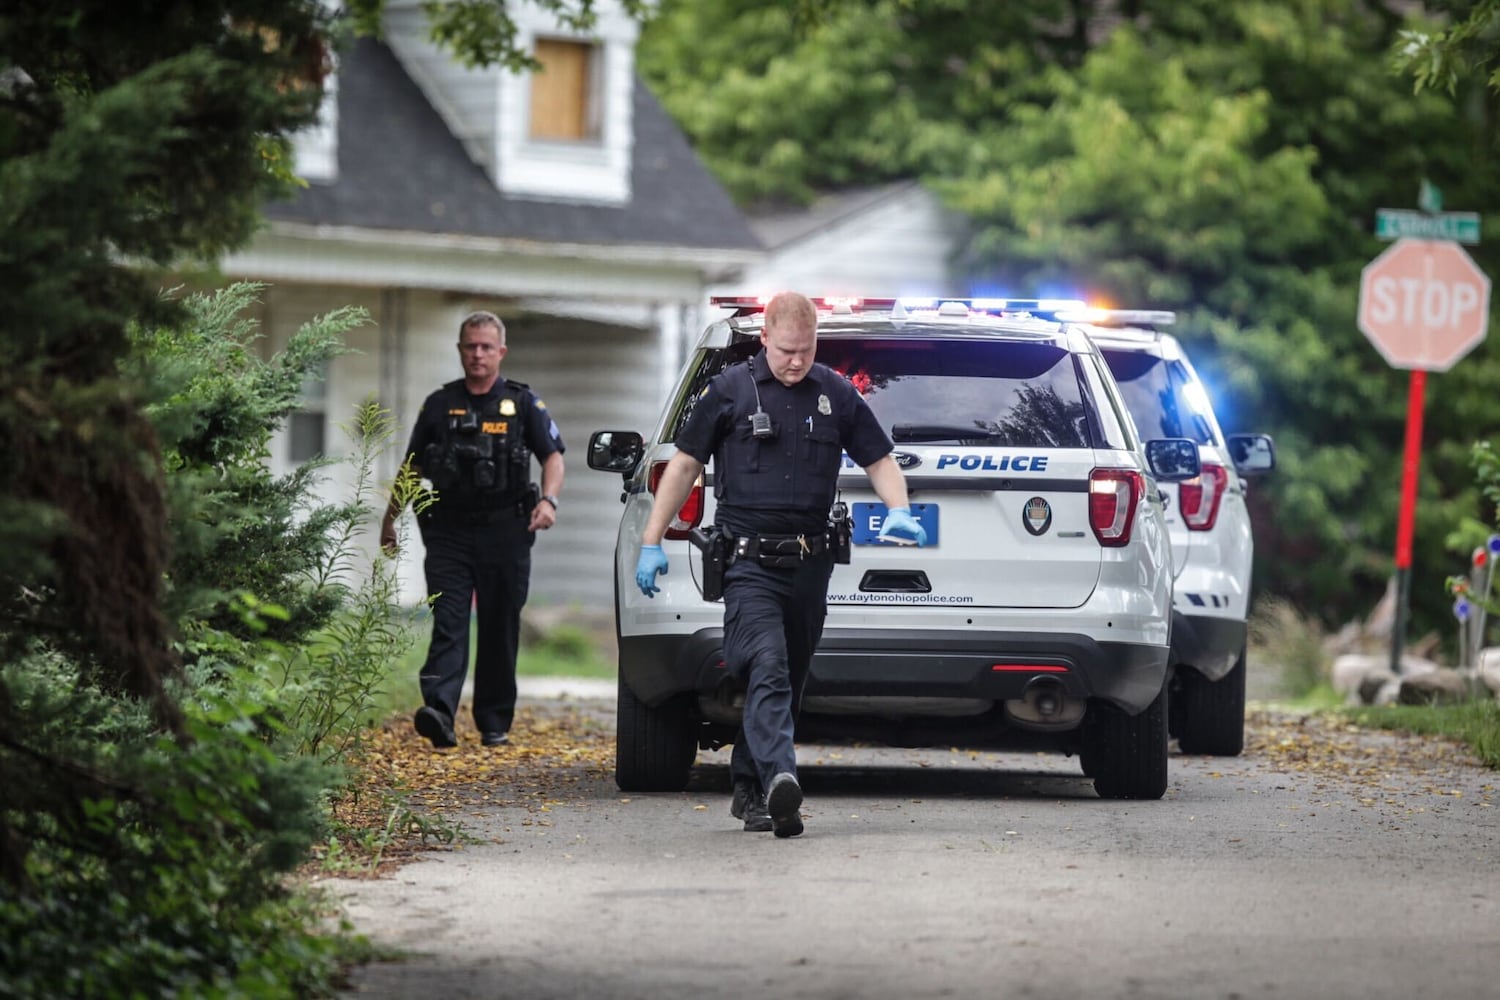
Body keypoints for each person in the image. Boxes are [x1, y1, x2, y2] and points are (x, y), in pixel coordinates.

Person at [634, 292, 926, 838]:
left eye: (807, 350)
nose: (796, 361)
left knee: (787, 680)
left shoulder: (834, 393)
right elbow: (684, 466)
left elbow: (879, 457)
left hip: (810, 564)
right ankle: (781, 776)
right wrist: (653, 539)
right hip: (749, 564)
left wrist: (900, 509)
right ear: (764, 337)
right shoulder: (729, 391)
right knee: (766, 666)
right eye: (787, 350)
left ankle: (750, 790)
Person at [381, 310, 565, 749]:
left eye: (486, 347)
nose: (478, 354)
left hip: (507, 528)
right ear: (460, 350)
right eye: (470, 346)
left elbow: (553, 456)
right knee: (449, 620)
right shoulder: (439, 405)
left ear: (501, 352)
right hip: (449, 530)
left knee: (501, 624)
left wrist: (548, 500)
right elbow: (412, 467)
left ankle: (494, 720)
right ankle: (439, 712)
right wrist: (389, 520)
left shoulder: (522, 403)